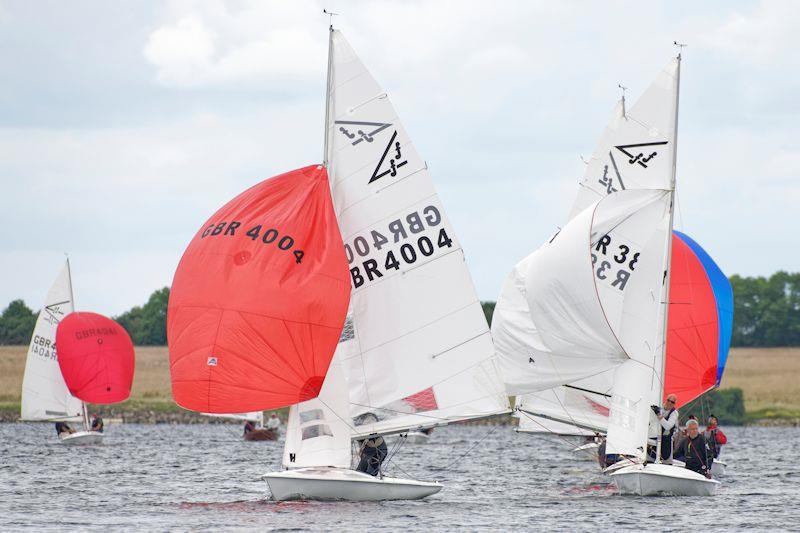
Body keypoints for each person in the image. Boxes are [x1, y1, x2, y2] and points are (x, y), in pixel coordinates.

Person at [649, 393, 679, 462]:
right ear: (666, 400)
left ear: (674, 404)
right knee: (650, 457)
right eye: (668, 400)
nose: (669, 403)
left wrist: (658, 415)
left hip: (666, 441)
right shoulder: (658, 407)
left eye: (672, 402)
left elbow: (667, 426)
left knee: (665, 458)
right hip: (653, 437)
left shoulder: (674, 413)